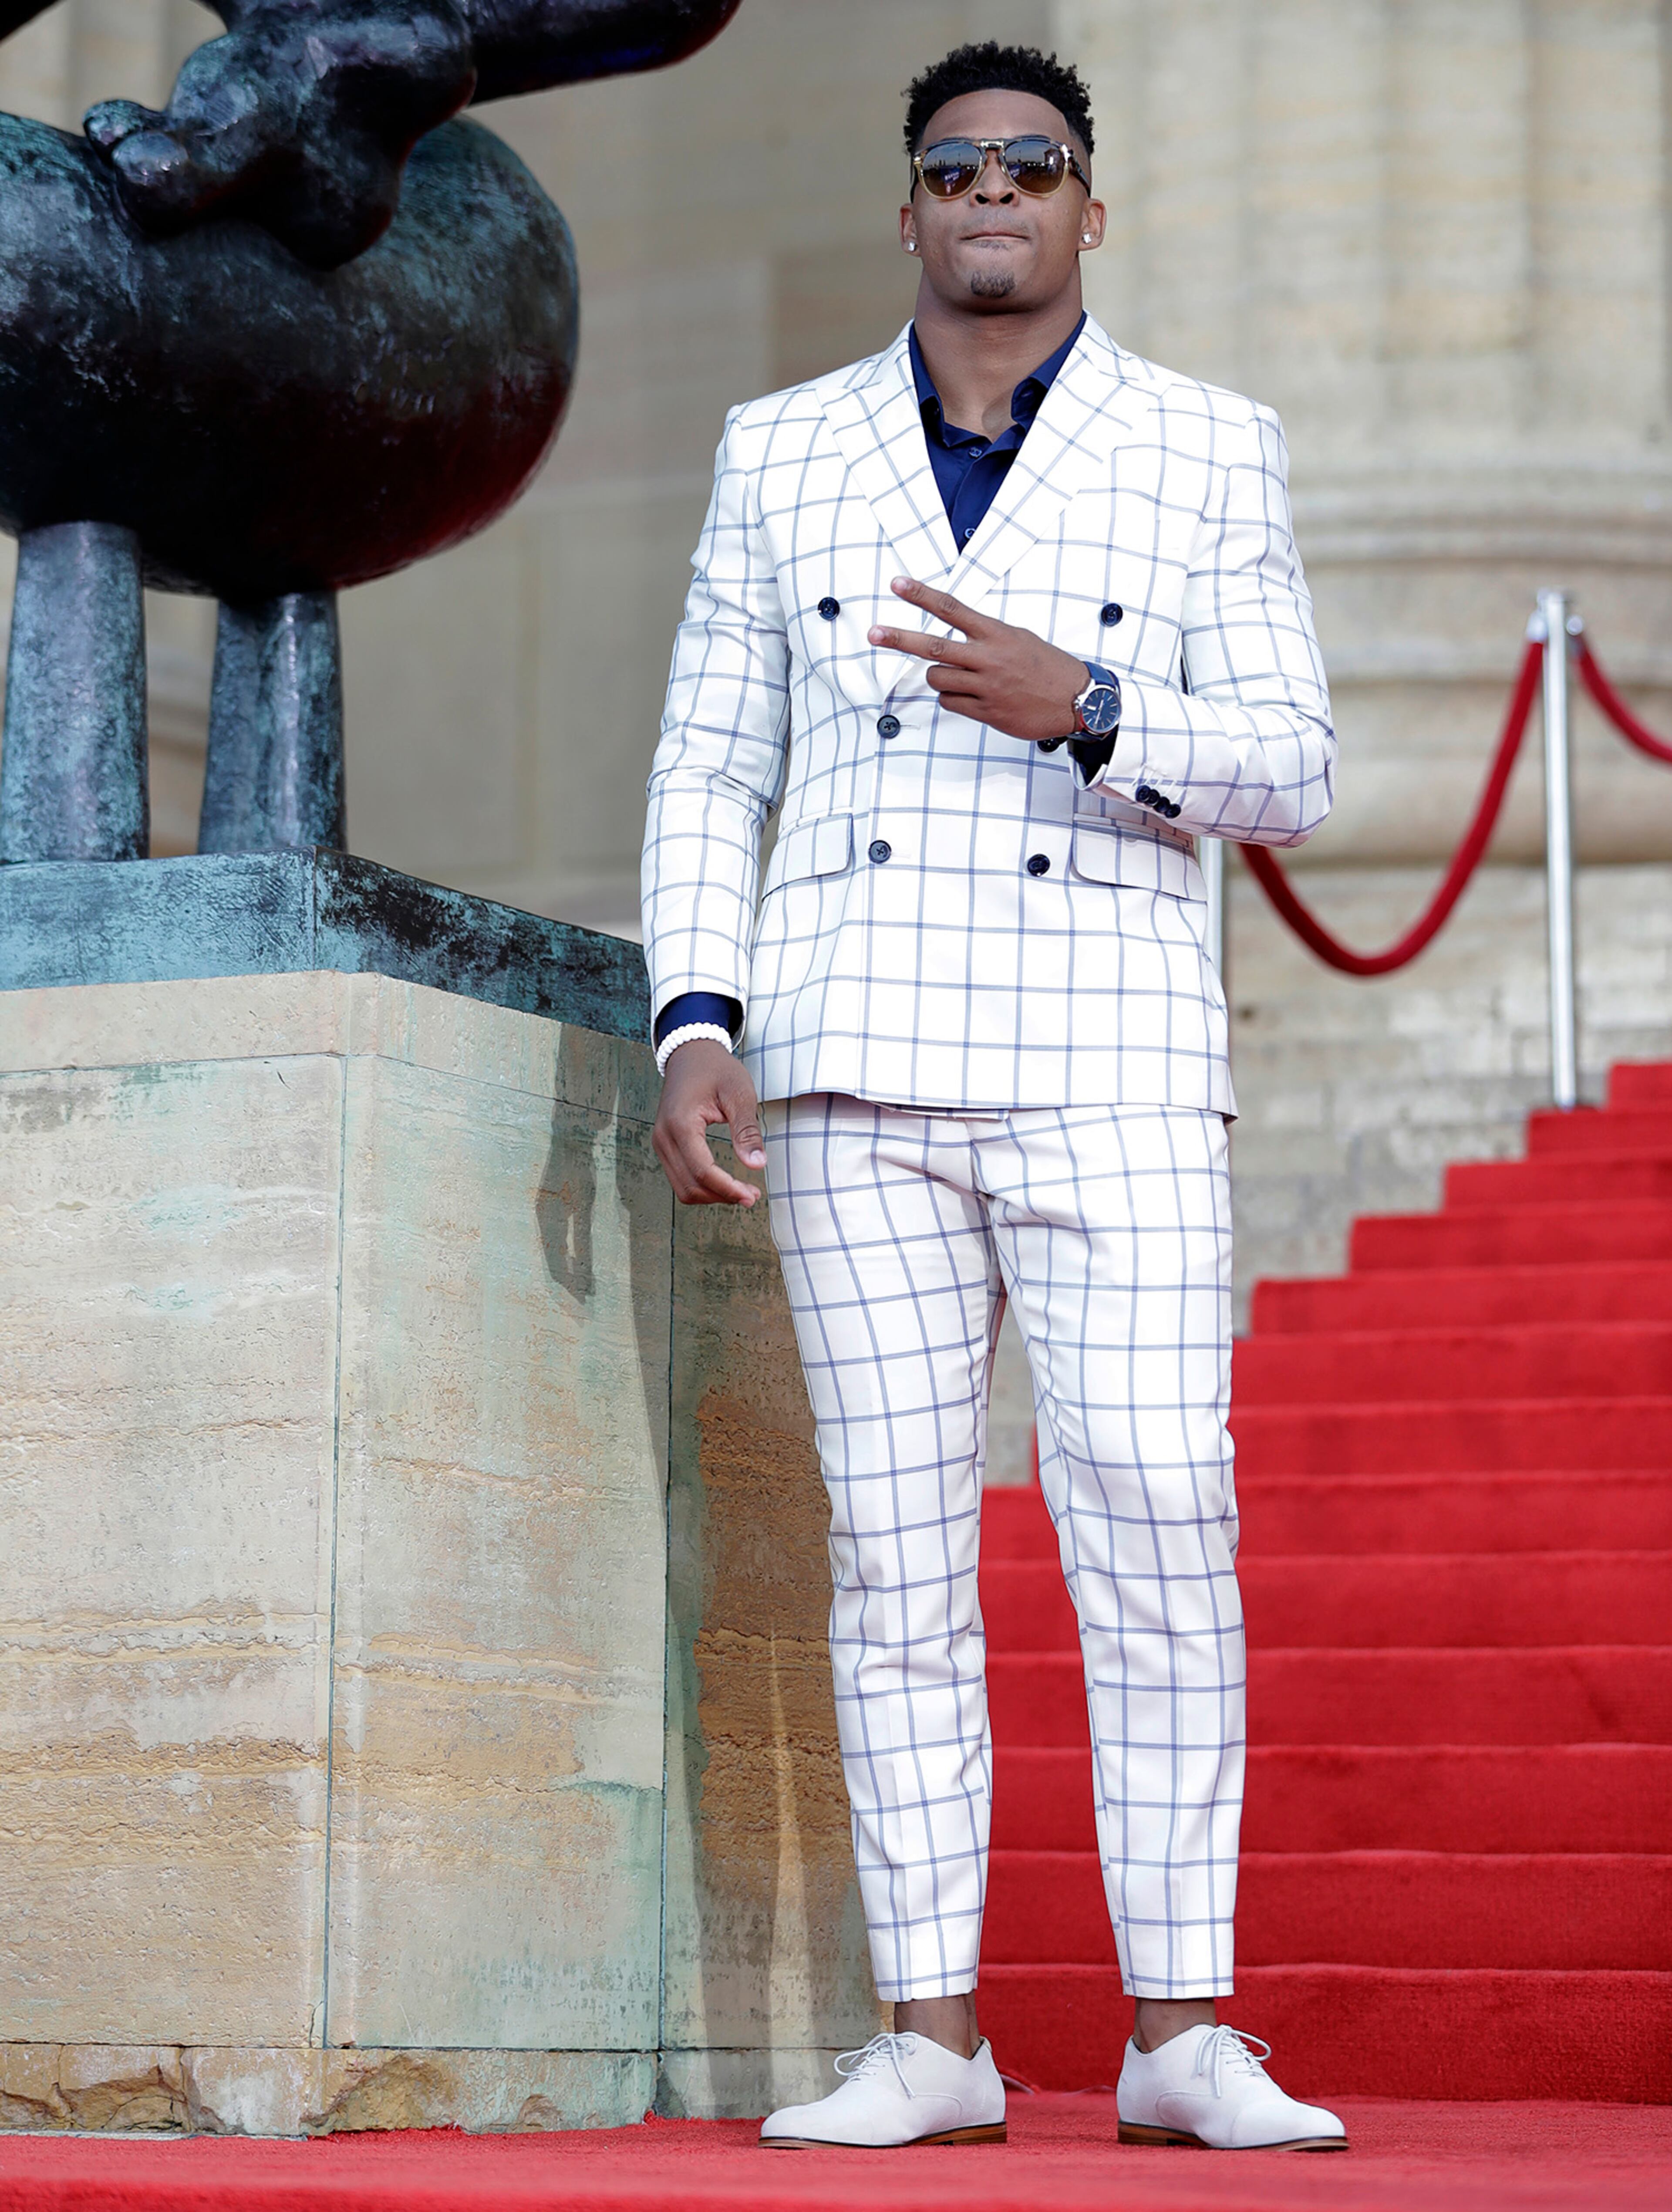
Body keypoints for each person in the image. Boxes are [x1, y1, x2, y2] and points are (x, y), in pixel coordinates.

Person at [641, 39, 1345, 2156]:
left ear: (1089, 207)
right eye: (956, 168)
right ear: (910, 206)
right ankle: (934, 2033)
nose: (995, 197)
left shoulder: (1208, 446)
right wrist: (694, 1012)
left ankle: (1180, 2031)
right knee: (893, 1558)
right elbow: (709, 756)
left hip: (1117, 1063)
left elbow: (1302, 767)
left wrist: (1093, 705)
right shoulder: (783, 450)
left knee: (1160, 1516)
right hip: (854, 1060)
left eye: (1035, 166)